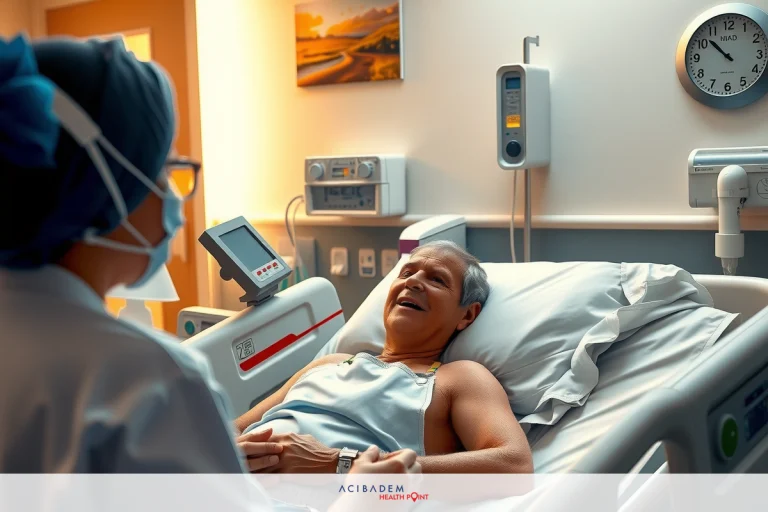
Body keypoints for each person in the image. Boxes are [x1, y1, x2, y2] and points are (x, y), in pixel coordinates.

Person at [0, 33, 418, 495]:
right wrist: (360, 492)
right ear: (107, 182)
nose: (171, 192)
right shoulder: (144, 380)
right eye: (163, 168)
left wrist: (214, 457)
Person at [235, 241, 534, 474]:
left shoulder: (457, 378)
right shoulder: (330, 362)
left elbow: (514, 466)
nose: (413, 282)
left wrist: (338, 464)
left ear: (467, 315)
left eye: (437, 280)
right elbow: (233, 428)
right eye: (406, 273)